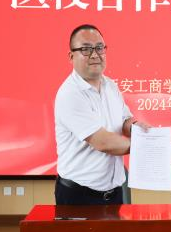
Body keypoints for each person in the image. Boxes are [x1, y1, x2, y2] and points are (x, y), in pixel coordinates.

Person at [55, 24, 149, 205]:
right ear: (71, 56)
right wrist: (146, 144)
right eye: (86, 49)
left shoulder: (110, 86)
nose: (94, 55)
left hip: (114, 192)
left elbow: (124, 121)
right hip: (79, 196)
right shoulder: (70, 93)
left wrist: (136, 127)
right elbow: (103, 142)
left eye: (99, 48)